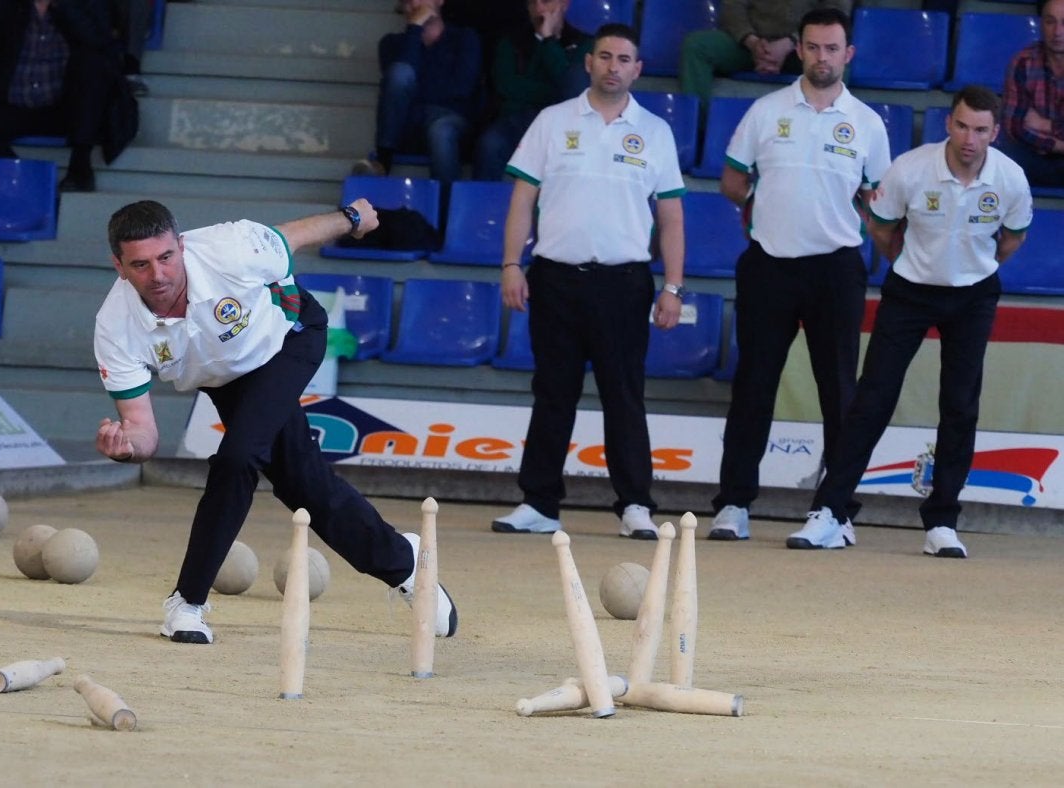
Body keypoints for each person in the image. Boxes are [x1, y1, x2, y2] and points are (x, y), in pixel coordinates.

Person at [92, 199, 458, 645]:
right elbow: (143, 431)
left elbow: (293, 236)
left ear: (182, 245)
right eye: (141, 265)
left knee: (238, 457)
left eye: (167, 257)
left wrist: (354, 218)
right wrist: (128, 448)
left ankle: (187, 602)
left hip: (288, 338)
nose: (159, 275)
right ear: (119, 267)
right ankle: (405, 562)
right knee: (303, 483)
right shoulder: (115, 327)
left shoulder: (230, 248)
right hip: (227, 377)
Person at [801, 86, 1032, 558]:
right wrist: (908, 263)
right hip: (909, 291)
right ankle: (831, 512)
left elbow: (1012, 239)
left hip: (973, 295)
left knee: (960, 405)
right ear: (949, 123)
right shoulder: (909, 168)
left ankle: (942, 522)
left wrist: (971, 267)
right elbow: (882, 228)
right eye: (963, 126)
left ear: (996, 133)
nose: (970, 138)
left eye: (982, 130)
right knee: (872, 399)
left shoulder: (1011, 179)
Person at [490, 23, 687, 539]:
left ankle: (635, 504)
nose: (614, 66)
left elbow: (671, 218)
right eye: (605, 56)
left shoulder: (657, 132)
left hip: (625, 283)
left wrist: (673, 287)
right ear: (589, 63)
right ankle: (539, 503)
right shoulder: (552, 122)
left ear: (638, 69)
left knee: (625, 395)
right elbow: (522, 200)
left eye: (624, 59)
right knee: (552, 392)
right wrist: (512, 263)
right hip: (555, 279)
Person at [710, 8, 891, 547]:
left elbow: (877, 198)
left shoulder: (868, 123)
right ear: (800, 49)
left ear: (847, 54)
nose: (821, 57)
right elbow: (731, 179)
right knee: (753, 387)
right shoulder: (766, 112)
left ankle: (836, 511)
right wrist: (760, 205)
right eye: (812, 47)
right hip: (768, 264)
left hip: (836, 268)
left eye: (831, 48)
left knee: (838, 392)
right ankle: (735, 504)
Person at [0, 0, 137, 193]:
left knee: (93, 66)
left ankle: (80, 167)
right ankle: (23, 181)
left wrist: (62, 7)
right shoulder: (4, 4)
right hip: (14, 104)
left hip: (65, 109)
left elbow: (100, 45)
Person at [351, 0, 483, 189]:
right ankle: (383, 162)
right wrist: (414, 29)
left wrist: (415, 93)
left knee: (440, 130)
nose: (415, 3)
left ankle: (446, 212)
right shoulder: (391, 44)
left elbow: (461, 89)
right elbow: (396, 86)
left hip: (450, 122)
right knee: (401, 72)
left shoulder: (464, 38)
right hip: (408, 127)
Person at [472, 0, 590, 181]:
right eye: (532, 3)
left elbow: (572, 90)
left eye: (546, 1)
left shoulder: (583, 43)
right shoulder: (510, 41)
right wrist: (554, 93)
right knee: (490, 143)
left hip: (562, 123)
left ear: (564, 4)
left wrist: (548, 41)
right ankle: (481, 205)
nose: (539, 9)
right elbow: (507, 86)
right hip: (516, 119)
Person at [679, 0, 852, 109]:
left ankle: (827, 132)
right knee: (698, 46)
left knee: (837, 63)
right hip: (750, 45)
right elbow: (732, 8)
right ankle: (698, 133)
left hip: (805, 47)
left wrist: (790, 43)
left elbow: (836, 15)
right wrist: (752, 42)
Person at [999, 0, 1064, 189]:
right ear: (1041, 23)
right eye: (1050, 21)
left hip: (1043, 149)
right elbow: (1015, 127)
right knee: (1004, 156)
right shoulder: (1023, 62)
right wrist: (1059, 145)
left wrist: (1045, 125)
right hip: (1032, 157)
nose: (1058, 32)